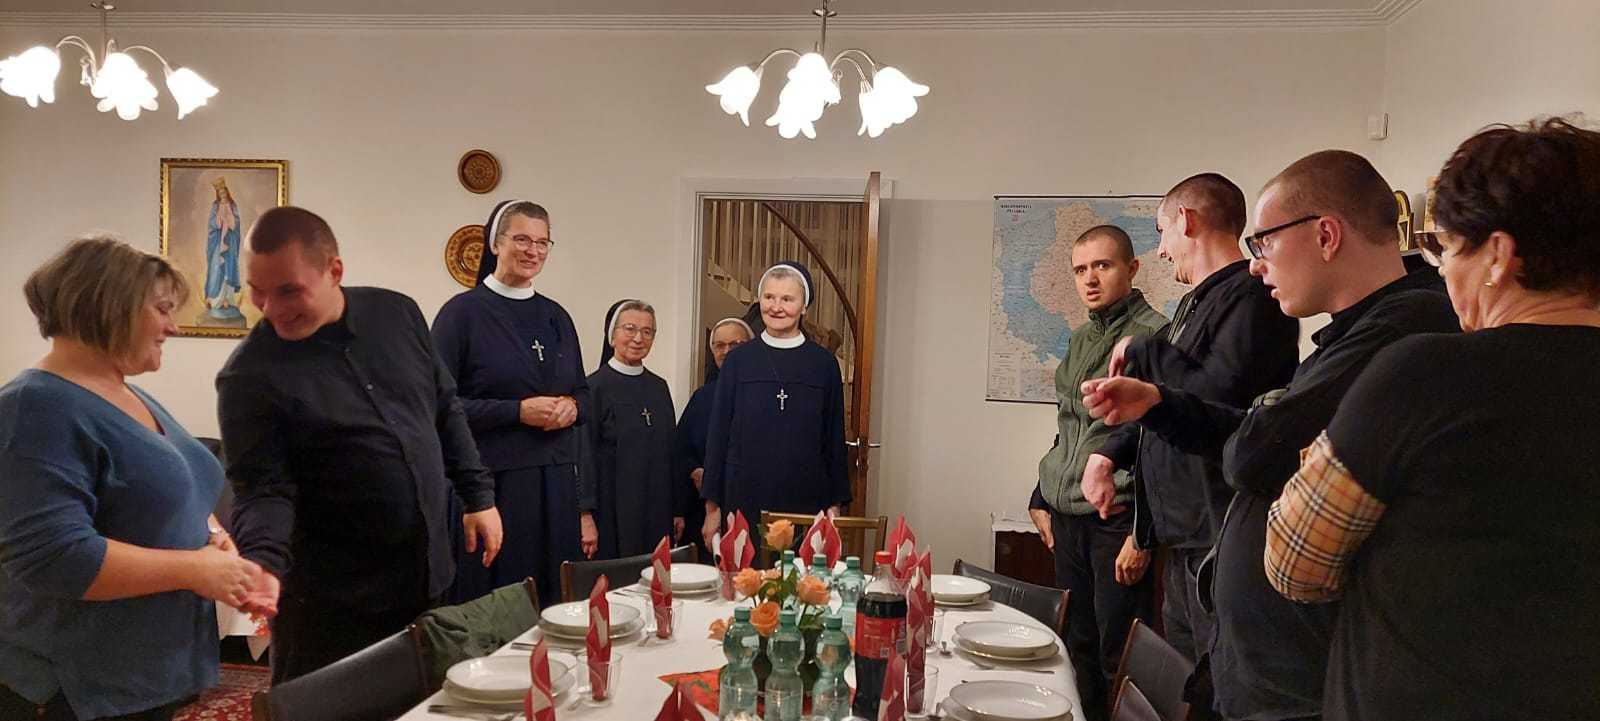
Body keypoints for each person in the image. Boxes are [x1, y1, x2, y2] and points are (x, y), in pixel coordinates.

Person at [1083, 150, 1459, 721]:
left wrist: (1188, 390)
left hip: (1301, 678)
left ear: (1326, 235)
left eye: (1263, 244)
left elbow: (1258, 451)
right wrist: (1158, 404)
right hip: (1264, 660)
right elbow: (1252, 430)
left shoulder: (1400, 331)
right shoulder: (1349, 335)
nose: (1256, 266)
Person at [1266, 119, 1600, 721]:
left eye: (1448, 249)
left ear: (1498, 256)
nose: (1442, 270)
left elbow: (1295, 565)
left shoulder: (1423, 375)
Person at [218, 206, 502, 683]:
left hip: (426, 579)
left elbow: (443, 405)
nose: (270, 308)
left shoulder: (398, 313)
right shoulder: (248, 376)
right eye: (257, 291)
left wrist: (478, 496)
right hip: (332, 606)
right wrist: (263, 561)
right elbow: (263, 489)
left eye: (288, 290)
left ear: (335, 271)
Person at [0, 236, 260, 721]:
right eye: (162, 309)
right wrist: (195, 569)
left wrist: (213, 536)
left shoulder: (123, 392)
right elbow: (57, 557)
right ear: (110, 305)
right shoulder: (35, 405)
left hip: (142, 675)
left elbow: (173, 487)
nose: (172, 326)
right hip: (77, 686)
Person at [1082, 173, 1300, 668]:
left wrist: (1145, 350)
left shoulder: (1253, 296)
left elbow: (1211, 401)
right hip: (1181, 539)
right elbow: (1161, 404)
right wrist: (1107, 453)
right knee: (1185, 683)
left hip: (1219, 534)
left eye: (1162, 232)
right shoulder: (1193, 302)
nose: (1162, 250)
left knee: (1215, 679)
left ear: (1187, 219)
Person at [1026, 225, 1166, 721]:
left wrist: (1142, 534)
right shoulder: (1081, 337)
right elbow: (1070, 428)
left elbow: (1156, 440)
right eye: (1080, 269)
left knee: (1117, 655)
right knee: (1073, 646)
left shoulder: (1153, 335)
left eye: (1102, 266)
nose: (1090, 279)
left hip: (1116, 518)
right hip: (1067, 516)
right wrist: (1040, 496)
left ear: (1132, 268)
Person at [431, 200, 593, 607]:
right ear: (495, 243)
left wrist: (573, 406)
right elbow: (437, 407)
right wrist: (517, 411)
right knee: (494, 606)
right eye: (522, 239)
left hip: (555, 485)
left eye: (542, 242)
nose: (532, 251)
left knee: (553, 603)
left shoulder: (557, 317)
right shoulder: (461, 314)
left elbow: (583, 393)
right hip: (491, 487)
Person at [701, 261, 850, 548]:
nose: (776, 307)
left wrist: (835, 503)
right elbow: (718, 435)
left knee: (800, 574)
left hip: (807, 496)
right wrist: (712, 507)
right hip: (745, 495)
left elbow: (833, 437)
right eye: (769, 297)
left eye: (787, 299)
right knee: (747, 574)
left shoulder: (823, 364)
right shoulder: (738, 361)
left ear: (804, 307)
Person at [587, 299, 685, 557]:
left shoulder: (659, 387)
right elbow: (583, 458)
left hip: (657, 511)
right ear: (612, 336)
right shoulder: (593, 388)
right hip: (610, 513)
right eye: (629, 329)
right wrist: (584, 516)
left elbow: (671, 452)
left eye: (647, 331)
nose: (638, 338)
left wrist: (677, 509)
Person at [678, 317, 754, 559]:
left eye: (735, 345)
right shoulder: (702, 397)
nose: (726, 351)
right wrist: (694, 470)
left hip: (750, 500)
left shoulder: (762, 392)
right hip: (704, 508)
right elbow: (681, 447)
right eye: (719, 345)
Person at [203, 177, 245, 323]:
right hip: (218, 245)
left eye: (224, 192)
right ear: (218, 194)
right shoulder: (215, 206)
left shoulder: (233, 205)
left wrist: (230, 220)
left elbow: (236, 223)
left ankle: (229, 299)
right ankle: (217, 301)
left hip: (230, 243)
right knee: (217, 269)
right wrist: (219, 221)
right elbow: (212, 224)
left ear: (227, 192)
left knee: (229, 269)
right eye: (220, 193)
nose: (223, 195)